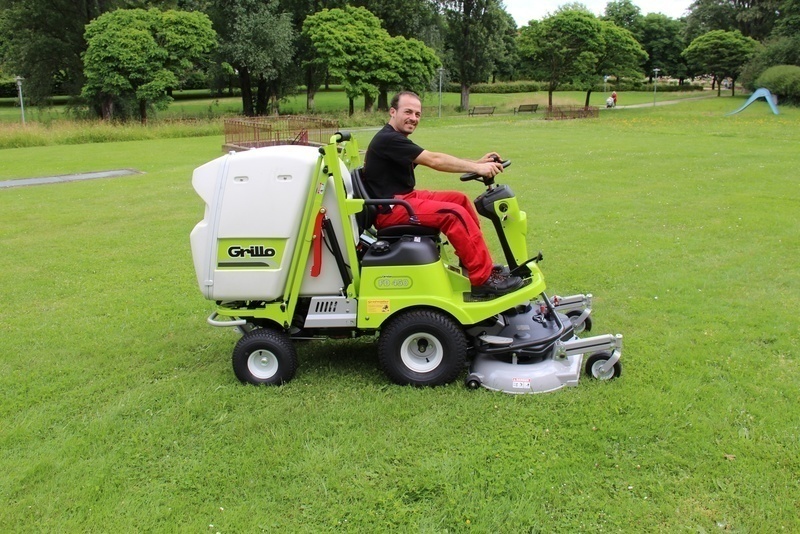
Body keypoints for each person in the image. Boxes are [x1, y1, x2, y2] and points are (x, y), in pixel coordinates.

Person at [363, 90, 523, 297]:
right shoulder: (389, 139)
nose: (413, 118)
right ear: (393, 112)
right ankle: (483, 280)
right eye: (408, 112)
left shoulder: (394, 139)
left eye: (417, 114)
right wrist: (477, 168)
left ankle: (473, 264)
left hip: (402, 199)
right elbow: (434, 160)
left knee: (460, 200)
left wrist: (477, 163)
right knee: (453, 214)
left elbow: (432, 158)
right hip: (391, 209)